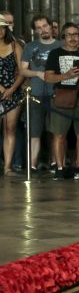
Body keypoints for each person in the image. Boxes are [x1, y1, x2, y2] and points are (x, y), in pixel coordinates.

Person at [44, 23, 79, 180]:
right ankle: (60, 167)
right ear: (63, 36)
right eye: (69, 34)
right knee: (59, 134)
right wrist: (66, 76)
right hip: (62, 96)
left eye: (76, 35)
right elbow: (48, 77)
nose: (73, 38)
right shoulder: (55, 54)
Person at [20, 15, 63, 173]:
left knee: (56, 131)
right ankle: (32, 165)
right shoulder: (30, 47)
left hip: (56, 93)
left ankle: (56, 162)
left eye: (45, 26)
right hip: (36, 93)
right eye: (39, 27)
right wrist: (37, 73)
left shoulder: (61, 45)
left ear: (50, 26)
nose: (43, 30)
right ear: (35, 30)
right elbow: (23, 70)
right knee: (35, 132)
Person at [0, 15, 24, 177]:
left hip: (13, 91)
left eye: (3, 27)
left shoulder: (15, 46)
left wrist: (12, 89)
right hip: (2, 89)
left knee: (10, 129)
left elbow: (22, 71)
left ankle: (8, 167)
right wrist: (2, 89)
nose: (0, 31)